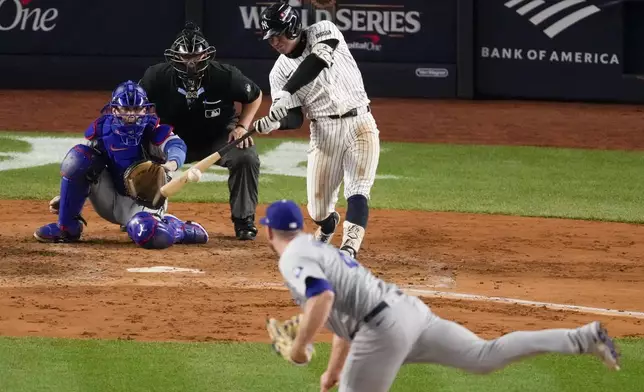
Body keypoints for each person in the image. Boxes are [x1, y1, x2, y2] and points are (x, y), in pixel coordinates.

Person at [259, 199, 621, 392]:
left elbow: (322, 300)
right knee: (483, 356)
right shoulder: (318, 248)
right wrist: (332, 372)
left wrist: (299, 348)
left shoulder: (293, 256)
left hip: (381, 328)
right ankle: (582, 337)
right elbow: (343, 321)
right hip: (410, 313)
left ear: (269, 232)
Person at [252, 1, 380, 258]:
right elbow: (296, 118)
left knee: (358, 189)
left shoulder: (324, 30)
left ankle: (348, 249)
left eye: (278, 33)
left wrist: (286, 93)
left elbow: (317, 60)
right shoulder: (278, 73)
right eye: (270, 37)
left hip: (361, 122)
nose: (274, 41)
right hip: (324, 131)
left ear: (292, 28)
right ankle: (329, 223)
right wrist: (276, 121)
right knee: (317, 210)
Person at [34, 80, 208, 249]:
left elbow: (176, 146)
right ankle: (67, 228)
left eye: (136, 109)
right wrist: (68, 198)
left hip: (146, 202)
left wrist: (171, 164)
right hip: (110, 196)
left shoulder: (152, 129)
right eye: (126, 109)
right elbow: (79, 167)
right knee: (79, 157)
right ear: (115, 109)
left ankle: (180, 229)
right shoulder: (102, 129)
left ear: (145, 109)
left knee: (149, 233)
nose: (131, 115)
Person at [139, 21, 263, 240]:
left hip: (216, 138)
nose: (191, 64)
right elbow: (137, 104)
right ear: (174, 57)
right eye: (185, 58)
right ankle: (138, 215)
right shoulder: (156, 76)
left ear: (207, 55)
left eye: (196, 57)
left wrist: (242, 126)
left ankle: (244, 220)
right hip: (171, 141)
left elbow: (254, 96)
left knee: (246, 155)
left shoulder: (225, 75)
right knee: (134, 152)